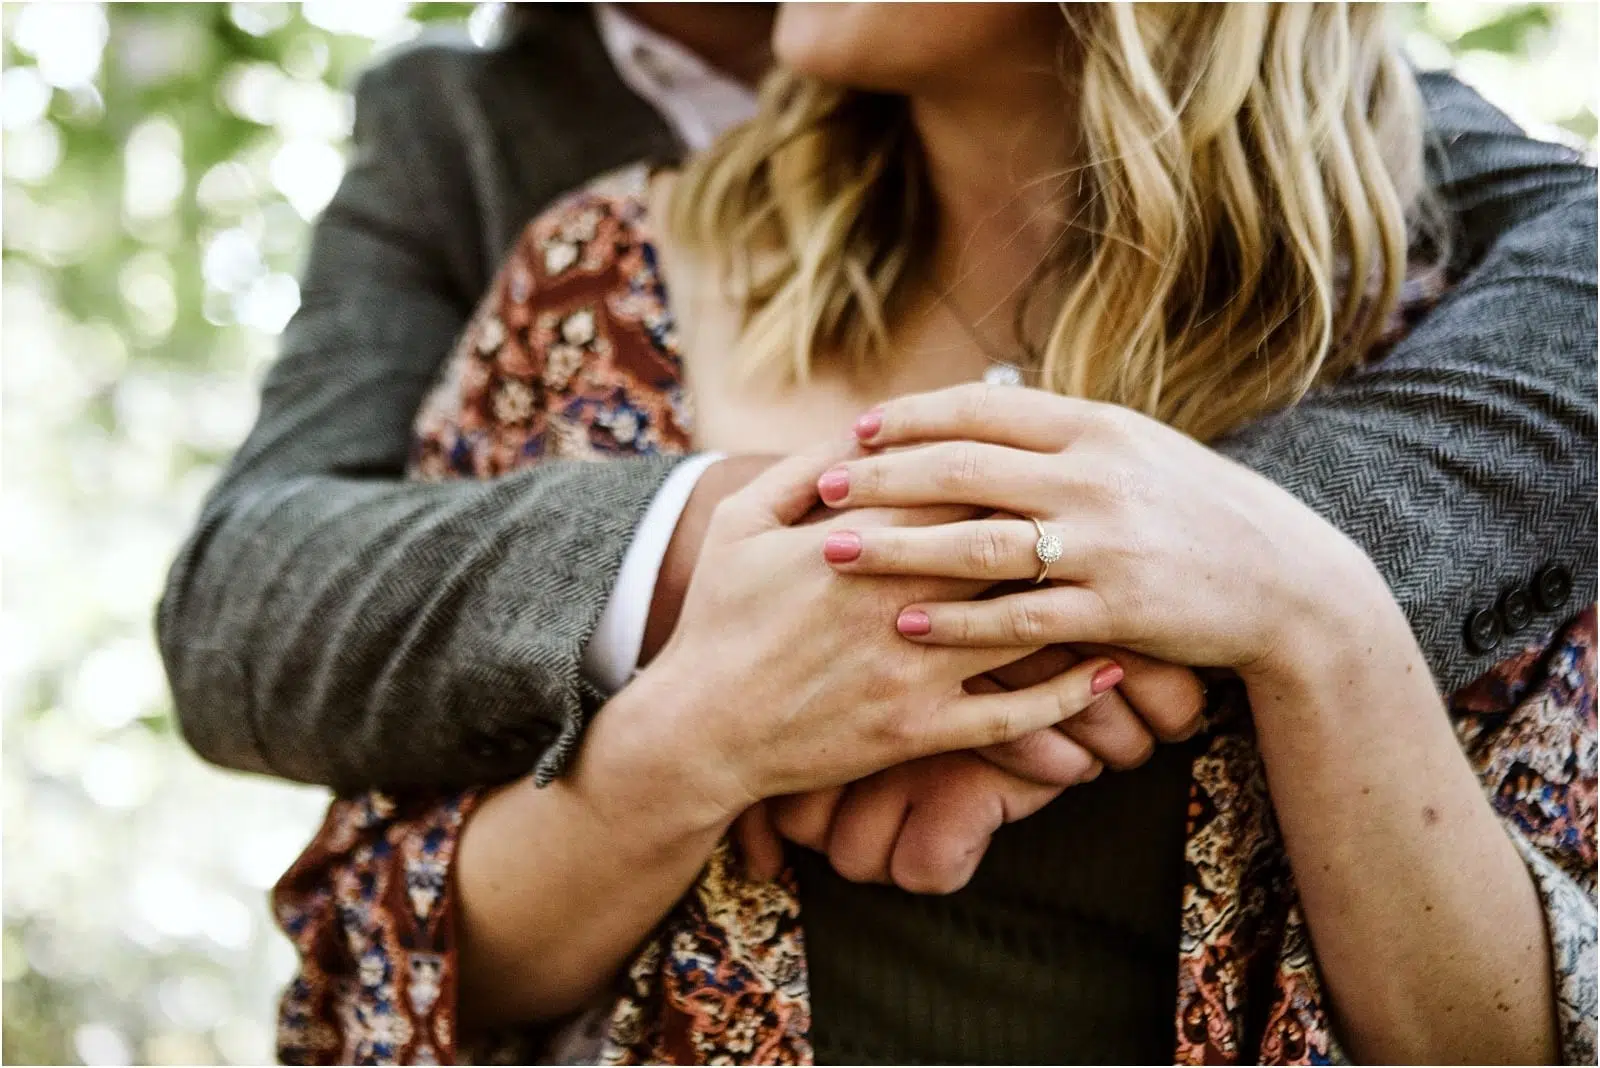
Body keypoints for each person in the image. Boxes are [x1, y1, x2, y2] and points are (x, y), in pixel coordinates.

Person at [268, 4, 1596, 1065]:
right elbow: (380, 958)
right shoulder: (599, 283)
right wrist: (694, 740)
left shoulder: (1468, 354)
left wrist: (1320, 616)